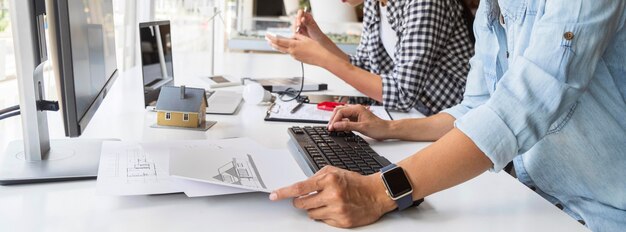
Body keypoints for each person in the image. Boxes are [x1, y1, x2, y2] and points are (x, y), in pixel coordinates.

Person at [269, 0, 626, 230]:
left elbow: (523, 105)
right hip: (537, 203)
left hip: (602, 216)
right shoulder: (492, 9)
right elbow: (476, 107)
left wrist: (379, 192)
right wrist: (389, 127)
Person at [266, 0, 475, 115]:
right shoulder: (375, 4)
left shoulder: (424, 3)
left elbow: (402, 93)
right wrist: (319, 38)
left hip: (447, 118)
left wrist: (323, 59)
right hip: (414, 114)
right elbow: (364, 68)